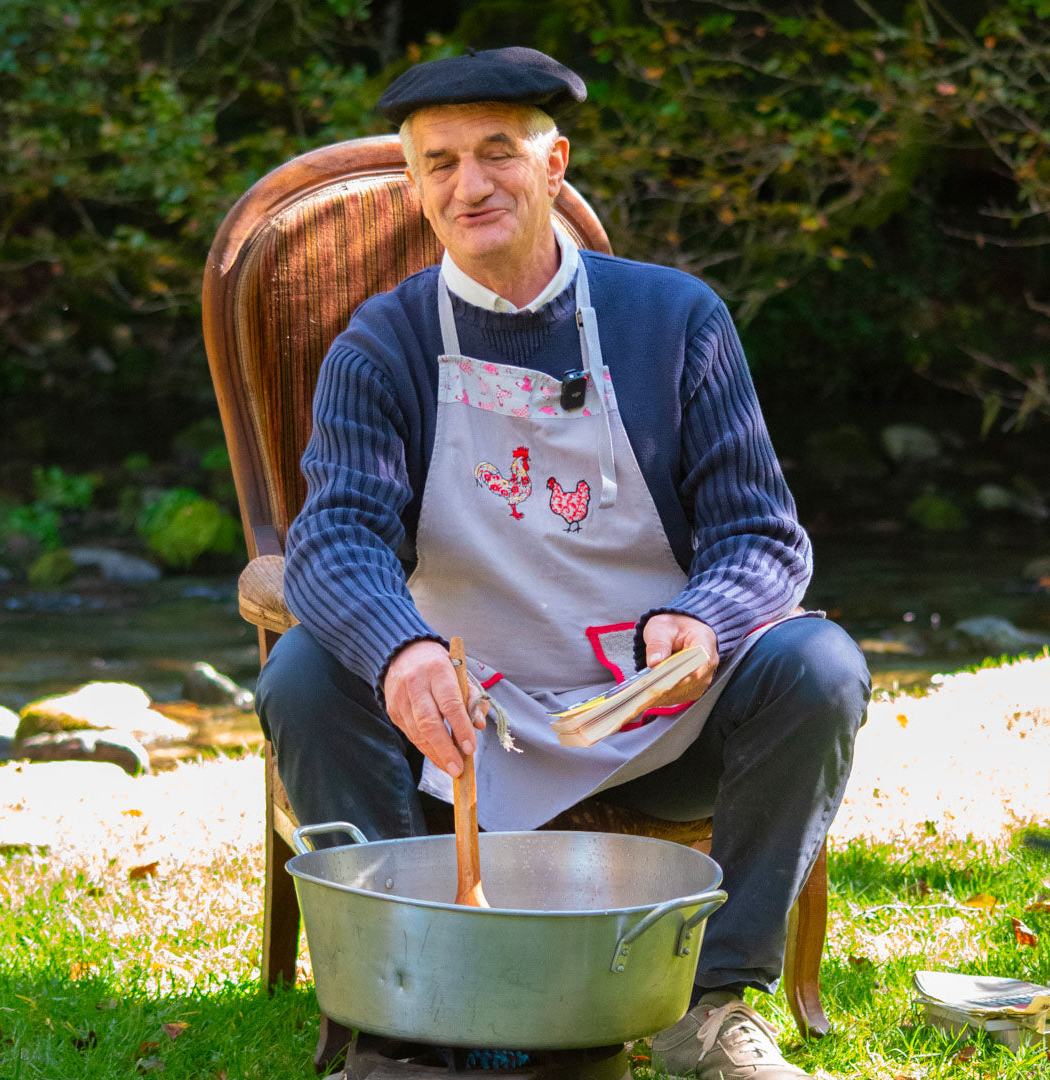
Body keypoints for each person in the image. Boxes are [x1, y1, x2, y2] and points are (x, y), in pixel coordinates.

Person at [256, 46, 871, 1080]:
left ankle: (711, 1008)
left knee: (819, 668)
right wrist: (401, 653)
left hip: (653, 718)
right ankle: (403, 1023)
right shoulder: (383, 344)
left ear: (554, 165)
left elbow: (760, 534)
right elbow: (335, 537)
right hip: (461, 718)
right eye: (440, 162)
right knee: (306, 673)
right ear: (415, 185)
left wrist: (706, 623)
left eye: (498, 153)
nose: (470, 184)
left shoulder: (675, 321)